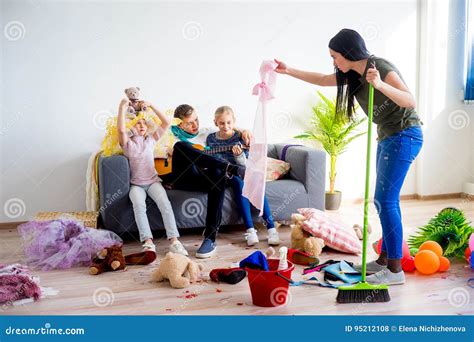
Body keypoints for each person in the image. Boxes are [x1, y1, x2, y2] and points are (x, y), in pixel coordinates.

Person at [275, 28, 423, 285]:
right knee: (383, 201)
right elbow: (322, 79)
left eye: (335, 56)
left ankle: (395, 270)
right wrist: (289, 71)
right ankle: (384, 260)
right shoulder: (352, 75)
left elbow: (410, 101)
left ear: (348, 52)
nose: (333, 62)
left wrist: (379, 84)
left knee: (385, 201)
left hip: (405, 136)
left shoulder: (379, 67)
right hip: (388, 137)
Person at [160, 104, 251, 258]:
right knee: (181, 146)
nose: (195, 125)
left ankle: (210, 237)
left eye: (196, 119)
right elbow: (152, 150)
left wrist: (245, 131)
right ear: (179, 124)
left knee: (218, 171)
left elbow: (229, 125)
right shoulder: (169, 136)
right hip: (183, 178)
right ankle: (230, 168)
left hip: (207, 179)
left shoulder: (207, 133)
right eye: (189, 123)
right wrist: (165, 150)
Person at [117, 98, 188, 255]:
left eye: (143, 123)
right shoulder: (127, 144)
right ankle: (148, 242)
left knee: (164, 203)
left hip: (153, 181)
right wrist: (122, 107)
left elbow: (166, 122)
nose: (142, 126)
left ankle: (174, 241)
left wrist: (151, 105)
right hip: (136, 184)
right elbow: (121, 130)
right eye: (137, 123)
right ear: (131, 125)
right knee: (138, 205)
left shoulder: (150, 140)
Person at [206, 106, 279, 247]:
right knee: (239, 183)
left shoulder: (240, 137)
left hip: (240, 170)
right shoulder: (210, 138)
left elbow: (244, 165)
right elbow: (211, 159)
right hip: (224, 174)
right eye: (221, 123)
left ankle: (271, 228)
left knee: (255, 182)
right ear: (215, 123)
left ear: (234, 122)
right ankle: (250, 230)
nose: (225, 126)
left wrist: (238, 155)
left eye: (229, 122)